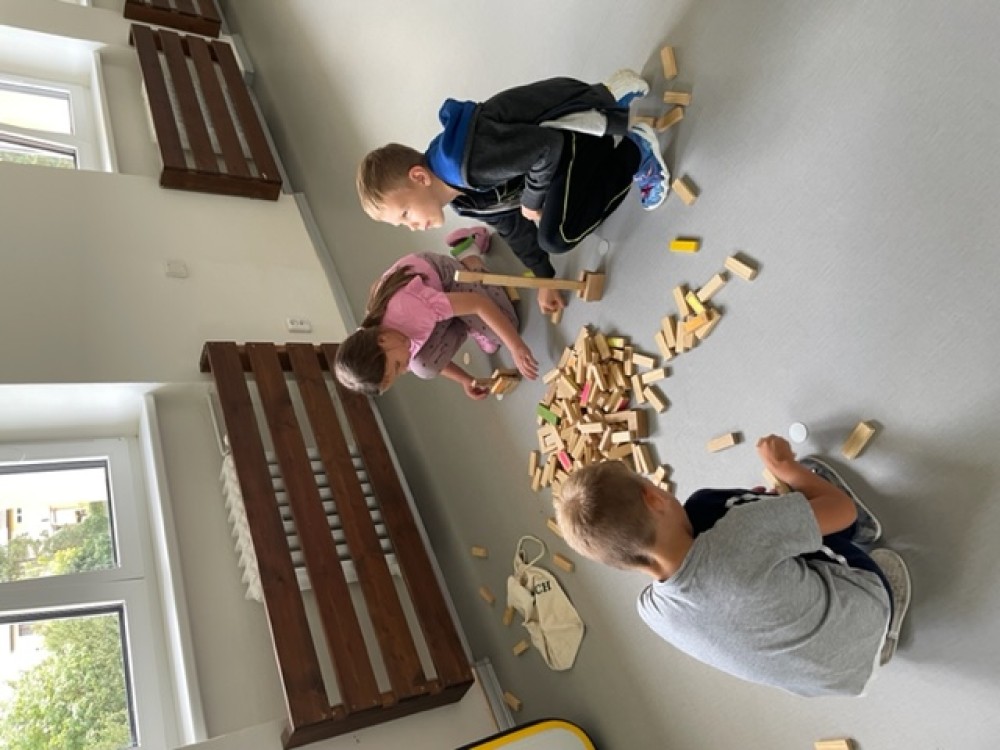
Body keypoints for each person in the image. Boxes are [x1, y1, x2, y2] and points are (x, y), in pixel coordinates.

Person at [553, 436, 912, 697]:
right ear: (654, 497)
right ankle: (880, 591)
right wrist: (783, 468)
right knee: (704, 507)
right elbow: (841, 510)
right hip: (869, 611)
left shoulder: (651, 612)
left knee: (724, 529)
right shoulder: (742, 530)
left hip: (838, 681)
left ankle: (877, 644)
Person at [356, 70, 670, 314]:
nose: (412, 226)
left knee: (558, 234)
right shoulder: (462, 201)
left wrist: (532, 201)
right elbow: (513, 227)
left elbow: (548, 147)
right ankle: (609, 100)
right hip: (564, 135)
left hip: (568, 133)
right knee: (549, 214)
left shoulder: (470, 164)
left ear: (419, 177)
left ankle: (635, 150)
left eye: (406, 214)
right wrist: (544, 277)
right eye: (403, 224)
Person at [334, 240, 538, 399]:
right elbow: (429, 360)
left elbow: (479, 304)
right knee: (422, 367)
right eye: (397, 373)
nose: (404, 370)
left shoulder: (412, 309)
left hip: (447, 278)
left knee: (507, 328)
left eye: (397, 366)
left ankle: (470, 258)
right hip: (434, 308)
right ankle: (461, 316)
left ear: (382, 340)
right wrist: (466, 380)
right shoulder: (392, 340)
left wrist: (516, 346)